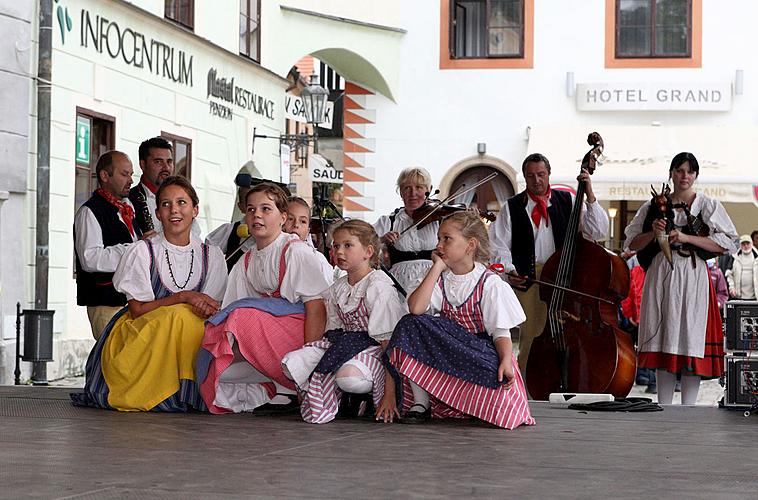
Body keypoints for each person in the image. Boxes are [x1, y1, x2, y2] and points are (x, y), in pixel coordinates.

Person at [71, 176, 227, 411]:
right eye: (166, 204)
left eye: (182, 203)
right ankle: (173, 391)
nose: (174, 210)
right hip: (142, 335)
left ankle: (189, 388)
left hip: (186, 337)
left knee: (193, 321)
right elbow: (137, 310)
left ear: (195, 210)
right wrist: (183, 297)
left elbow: (211, 308)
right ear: (158, 213)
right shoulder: (142, 251)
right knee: (182, 316)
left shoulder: (211, 255)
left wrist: (200, 305)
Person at [386, 212, 534, 429]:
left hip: (478, 351)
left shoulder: (489, 283)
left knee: (496, 376)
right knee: (410, 323)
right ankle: (421, 402)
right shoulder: (437, 277)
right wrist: (436, 268)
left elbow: (500, 333)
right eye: (438, 238)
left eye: (447, 238)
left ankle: (473, 404)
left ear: (470, 245)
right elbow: (416, 308)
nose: (439, 244)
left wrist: (505, 361)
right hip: (448, 350)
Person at [197, 183, 333, 414]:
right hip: (276, 333)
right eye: (251, 210)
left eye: (265, 209)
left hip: (307, 333)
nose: (256, 215)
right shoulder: (247, 260)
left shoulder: (296, 251)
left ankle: (296, 384)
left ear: (282, 217)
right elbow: (230, 313)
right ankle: (278, 386)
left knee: (241, 316)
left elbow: (317, 308)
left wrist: (308, 358)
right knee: (214, 369)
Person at [625, 152, 737, 406]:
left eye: (689, 171)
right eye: (679, 170)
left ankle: (689, 407)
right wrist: (653, 233)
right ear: (672, 173)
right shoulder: (653, 205)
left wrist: (687, 238)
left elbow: (728, 242)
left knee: (690, 336)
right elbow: (631, 241)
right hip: (661, 273)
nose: (684, 176)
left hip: (693, 274)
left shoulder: (707, 205)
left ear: (696, 175)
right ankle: (662, 403)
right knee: (663, 333)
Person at [489, 153, 609, 374]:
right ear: (524, 177)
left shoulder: (569, 200)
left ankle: (571, 381)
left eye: (541, 174)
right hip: (530, 279)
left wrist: (589, 193)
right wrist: (509, 269)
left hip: (565, 277)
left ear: (549, 174)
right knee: (532, 336)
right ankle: (529, 390)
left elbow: (598, 231)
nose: (536, 180)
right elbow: (498, 245)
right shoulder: (512, 207)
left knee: (569, 334)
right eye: (531, 176)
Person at [281, 220, 407, 424]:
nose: (339, 251)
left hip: (374, 348)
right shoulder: (337, 288)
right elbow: (332, 330)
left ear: (368, 251)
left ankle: (363, 393)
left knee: (349, 377)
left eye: (348, 245)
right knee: (292, 363)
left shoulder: (379, 286)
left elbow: (389, 344)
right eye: (336, 245)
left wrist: (390, 394)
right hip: (344, 344)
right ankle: (335, 397)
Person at [74, 151, 146, 339]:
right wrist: (135, 249)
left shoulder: (127, 209)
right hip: (105, 302)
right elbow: (90, 259)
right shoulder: (90, 212)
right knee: (112, 361)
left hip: (131, 300)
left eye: (131, 174)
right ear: (105, 176)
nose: (130, 180)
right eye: (124, 174)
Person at [373, 168, 439, 295]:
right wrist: (381, 240)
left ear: (428, 190)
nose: (413, 193)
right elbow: (363, 243)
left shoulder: (439, 220)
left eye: (419, 187)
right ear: (401, 192)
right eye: (407, 188)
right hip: (399, 284)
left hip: (434, 283)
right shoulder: (389, 221)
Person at [205, 174, 254, 271]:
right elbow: (207, 252)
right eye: (249, 204)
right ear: (240, 207)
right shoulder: (230, 230)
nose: (256, 211)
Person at [726, 235, 758, 300]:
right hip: (738, 297)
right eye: (743, 244)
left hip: (755, 298)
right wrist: (732, 288)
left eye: (747, 243)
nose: (746, 246)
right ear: (740, 245)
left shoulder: (757, 257)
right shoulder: (734, 257)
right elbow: (729, 274)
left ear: (751, 244)